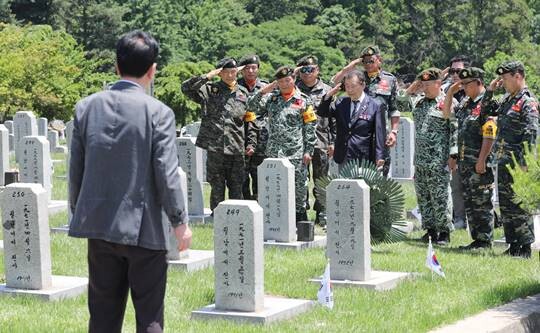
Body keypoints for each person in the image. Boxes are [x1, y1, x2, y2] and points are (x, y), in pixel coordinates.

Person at [68, 30, 192, 333]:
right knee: (149, 316)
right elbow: (166, 171)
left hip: (99, 226)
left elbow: (77, 170)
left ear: (116, 66)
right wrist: (180, 223)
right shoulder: (158, 112)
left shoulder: (86, 107)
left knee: (102, 316)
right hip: (144, 228)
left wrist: (78, 212)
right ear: (153, 70)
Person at [182, 57, 257, 212]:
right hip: (215, 146)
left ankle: (238, 216)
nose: (231, 75)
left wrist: (251, 143)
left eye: (233, 72)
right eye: (226, 72)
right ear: (219, 74)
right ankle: (217, 216)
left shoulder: (244, 93)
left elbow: (250, 122)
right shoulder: (209, 90)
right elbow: (186, 88)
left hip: (237, 147)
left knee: (237, 184)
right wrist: (208, 76)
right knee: (217, 184)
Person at [482, 61, 538, 258]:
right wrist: (489, 91)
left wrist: (525, 161)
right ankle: (513, 243)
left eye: (505, 79)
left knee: (520, 205)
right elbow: (485, 111)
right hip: (504, 161)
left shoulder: (527, 102)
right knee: (506, 205)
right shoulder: (508, 100)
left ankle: (525, 247)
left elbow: (531, 132)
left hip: (518, 163)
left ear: (518, 76)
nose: (503, 82)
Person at [247, 66, 317, 222]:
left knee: (298, 188)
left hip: (296, 152)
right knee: (274, 187)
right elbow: (250, 107)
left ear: (293, 79)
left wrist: (309, 150)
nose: (284, 84)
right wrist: (264, 91)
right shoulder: (272, 99)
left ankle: (300, 219)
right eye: (280, 81)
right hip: (274, 152)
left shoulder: (303, 100)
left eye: (287, 80)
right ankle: (276, 219)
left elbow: (310, 127)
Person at [399, 68, 458, 245]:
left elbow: (454, 128)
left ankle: (444, 232)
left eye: (427, 84)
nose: (424, 88)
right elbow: (400, 104)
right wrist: (411, 89)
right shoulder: (419, 102)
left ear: (438, 84)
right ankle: (430, 230)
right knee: (424, 197)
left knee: (440, 197)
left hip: (439, 158)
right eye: (422, 84)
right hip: (421, 159)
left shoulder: (447, 101)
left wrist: (453, 153)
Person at [443, 67, 496, 249]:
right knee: (471, 203)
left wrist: (482, 159)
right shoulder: (467, 103)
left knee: (482, 202)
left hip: (479, 163)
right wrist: (450, 91)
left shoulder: (487, 103)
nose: (463, 87)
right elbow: (448, 115)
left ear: (479, 83)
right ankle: (477, 240)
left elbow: (489, 134)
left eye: (467, 84)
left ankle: (485, 240)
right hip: (465, 163)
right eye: (462, 84)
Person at [331, 45, 399, 177]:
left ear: (379, 60)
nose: (367, 64)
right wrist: (351, 66)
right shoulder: (357, 78)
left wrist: (394, 131)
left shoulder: (389, 80)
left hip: (379, 134)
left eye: (371, 61)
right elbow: (334, 83)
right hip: (358, 134)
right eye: (365, 62)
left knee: (380, 173)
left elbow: (394, 109)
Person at [295, 55, 335, 226]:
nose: (307, 73)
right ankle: (300, 211)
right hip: (298, 142)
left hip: (321, 141)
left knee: (321, 179)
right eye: (303, 70)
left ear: (317, 70)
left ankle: (322, 213)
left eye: (310, 69)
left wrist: (333, 141)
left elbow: (334, 118)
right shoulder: (294, 89)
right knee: (299, 179)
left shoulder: (327, 90)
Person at [317, 70, 386, 169]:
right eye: (347, 86)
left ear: (363, 85)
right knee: (345, 184)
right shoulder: (341, 103)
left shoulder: (375, 105)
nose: (349, 89)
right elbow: (322, 112)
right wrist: (328, 95)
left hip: (364, 156)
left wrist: (380, 156)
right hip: (343, 154)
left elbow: (380, 133)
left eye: (353, 86)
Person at [442, 55, 471, 230]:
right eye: (451, 70)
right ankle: (459, 218)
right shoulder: (446, 91)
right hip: (452, 144)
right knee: (456, 185)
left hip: (471, 145)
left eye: (458, 71)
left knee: (476, 187)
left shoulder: (474, 90)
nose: (454, 74)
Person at [238, 54, 268, 200]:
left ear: (258, 69)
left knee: (260, 175)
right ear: (241, 71)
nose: (250, 71)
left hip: (262, 139)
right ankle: (245, 203)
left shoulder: (266, 88)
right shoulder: (234, 87)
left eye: (253, 68)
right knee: (241, 174)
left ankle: (259, 203)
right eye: (247, 68)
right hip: (239, 137)